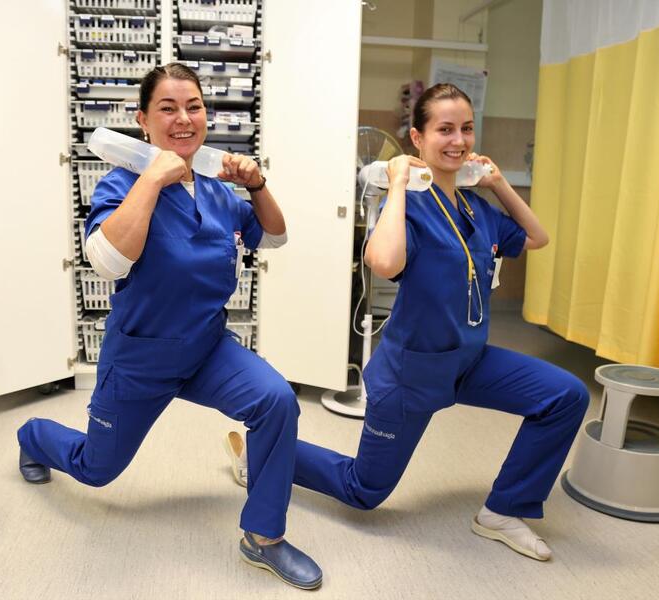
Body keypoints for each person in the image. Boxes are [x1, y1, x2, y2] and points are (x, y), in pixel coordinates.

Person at [226, 83, 590, 561]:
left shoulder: (477, 209)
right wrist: (397, 184)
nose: (458, 140)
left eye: (466, 129)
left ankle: (503, 511)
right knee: (364, 490)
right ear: (418, 138)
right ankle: (259, 456)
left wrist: (499, 183)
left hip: (469, 361)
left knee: (566, 396)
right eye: (445, 130)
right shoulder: (409, 208)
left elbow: (536, 237)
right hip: (410, 375)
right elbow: (382, 261)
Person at [16, 63, 322, 590]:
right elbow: (107, 261)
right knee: (96, 469)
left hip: (207, 349)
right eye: (168, 108)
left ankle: (263, 536)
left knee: (275, 400)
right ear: (143, 121)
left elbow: (274, 237)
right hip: (142, 359)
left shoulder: (218, 191)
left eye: (194, 107)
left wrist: (257, 185)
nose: (184, 118)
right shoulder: (121, 183)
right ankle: (33, 437)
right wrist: (154, 177)